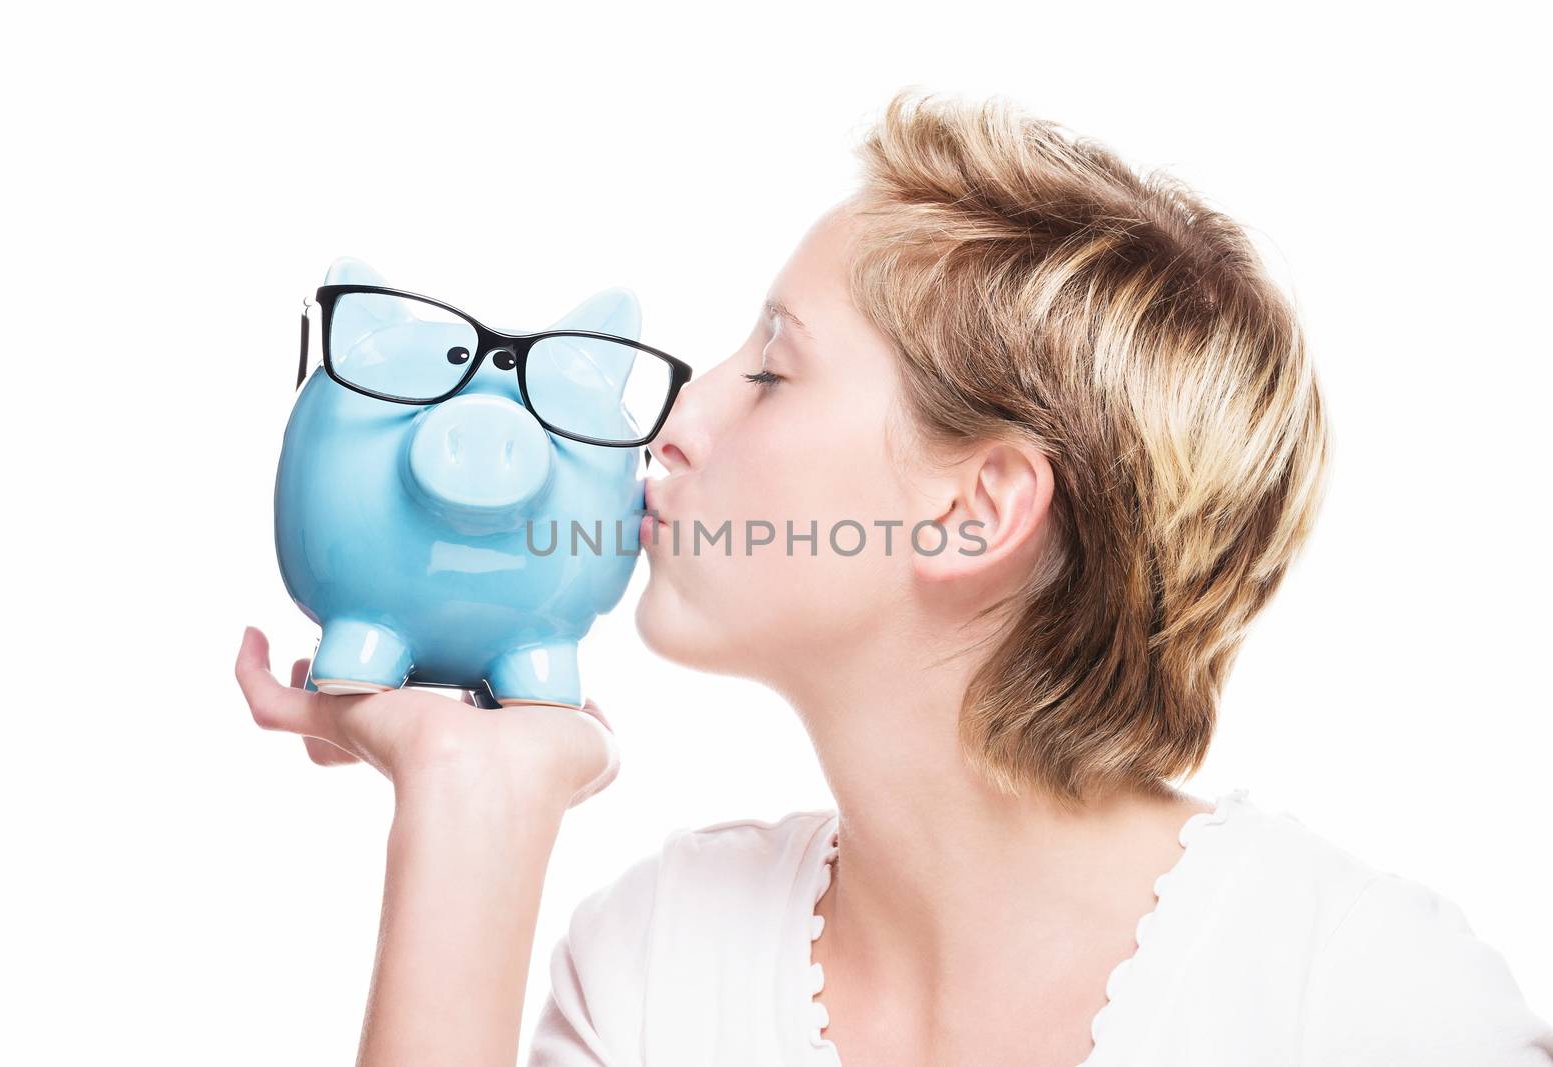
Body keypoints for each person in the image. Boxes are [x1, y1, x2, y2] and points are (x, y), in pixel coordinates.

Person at [234, 89, 1553, 1066]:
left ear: (975, 512)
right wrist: (475, 799)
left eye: (770, 369)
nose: (671, 422)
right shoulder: (658, 967)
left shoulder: (1371, 1003)